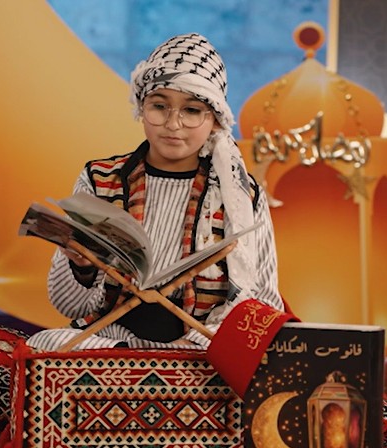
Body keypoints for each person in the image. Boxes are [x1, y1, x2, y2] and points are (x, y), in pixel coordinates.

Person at [27, 33, 284, 351]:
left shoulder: (243, 196)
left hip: (197, 347)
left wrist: (195, 343)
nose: (173, 124)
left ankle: (142, 366)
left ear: (216, 121)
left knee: (244, 353)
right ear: (142, 107)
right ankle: (133, 362)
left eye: (192, 111)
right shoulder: (100, 178)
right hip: (109, 341)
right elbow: (70, 307)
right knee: (46, 343)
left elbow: (264, 305)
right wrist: (83, 267)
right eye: (160, 106)